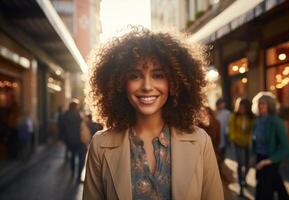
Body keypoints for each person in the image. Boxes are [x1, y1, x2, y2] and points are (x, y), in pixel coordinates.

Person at [83, 27, 223, 199]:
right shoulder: (100, 145)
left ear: (175, 82)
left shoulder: (201, 142)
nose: (147, 86)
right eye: (135, 76)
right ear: (120, 83)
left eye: (158, 75)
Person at [252, 91, 289, 200]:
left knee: (265, 191)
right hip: (259, 158)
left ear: (270, 105)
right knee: (270, 186)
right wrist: (253, 155)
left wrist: (267, 161)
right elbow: (254, 140)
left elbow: (286, 148)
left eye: (263, 103)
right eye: (259, 103)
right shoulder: (257, 121)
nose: (261, 106)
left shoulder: (276, 121)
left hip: (271, 159)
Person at [228, 98, 254, 197]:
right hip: (237, 142)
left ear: (247, 108)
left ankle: (244, 179)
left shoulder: (251, 117)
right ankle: (241, 187)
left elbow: (253, 129)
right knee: (239, 164)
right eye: (240, 107)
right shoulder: (234, 116)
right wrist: (233, 139)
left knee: (248, 165)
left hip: (247, 143)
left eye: (243, 107)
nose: (241, 109)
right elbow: (231, 129)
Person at [62, 99, 84, 182]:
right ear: (76, 106)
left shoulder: (66, 114)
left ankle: (72, 172)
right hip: (79, 139)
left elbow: (63, 127)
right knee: (80, 157)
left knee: (72, 156)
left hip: (69, 139)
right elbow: (82, 126)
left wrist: (64, 138)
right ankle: (78, 177)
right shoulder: (78, 114)